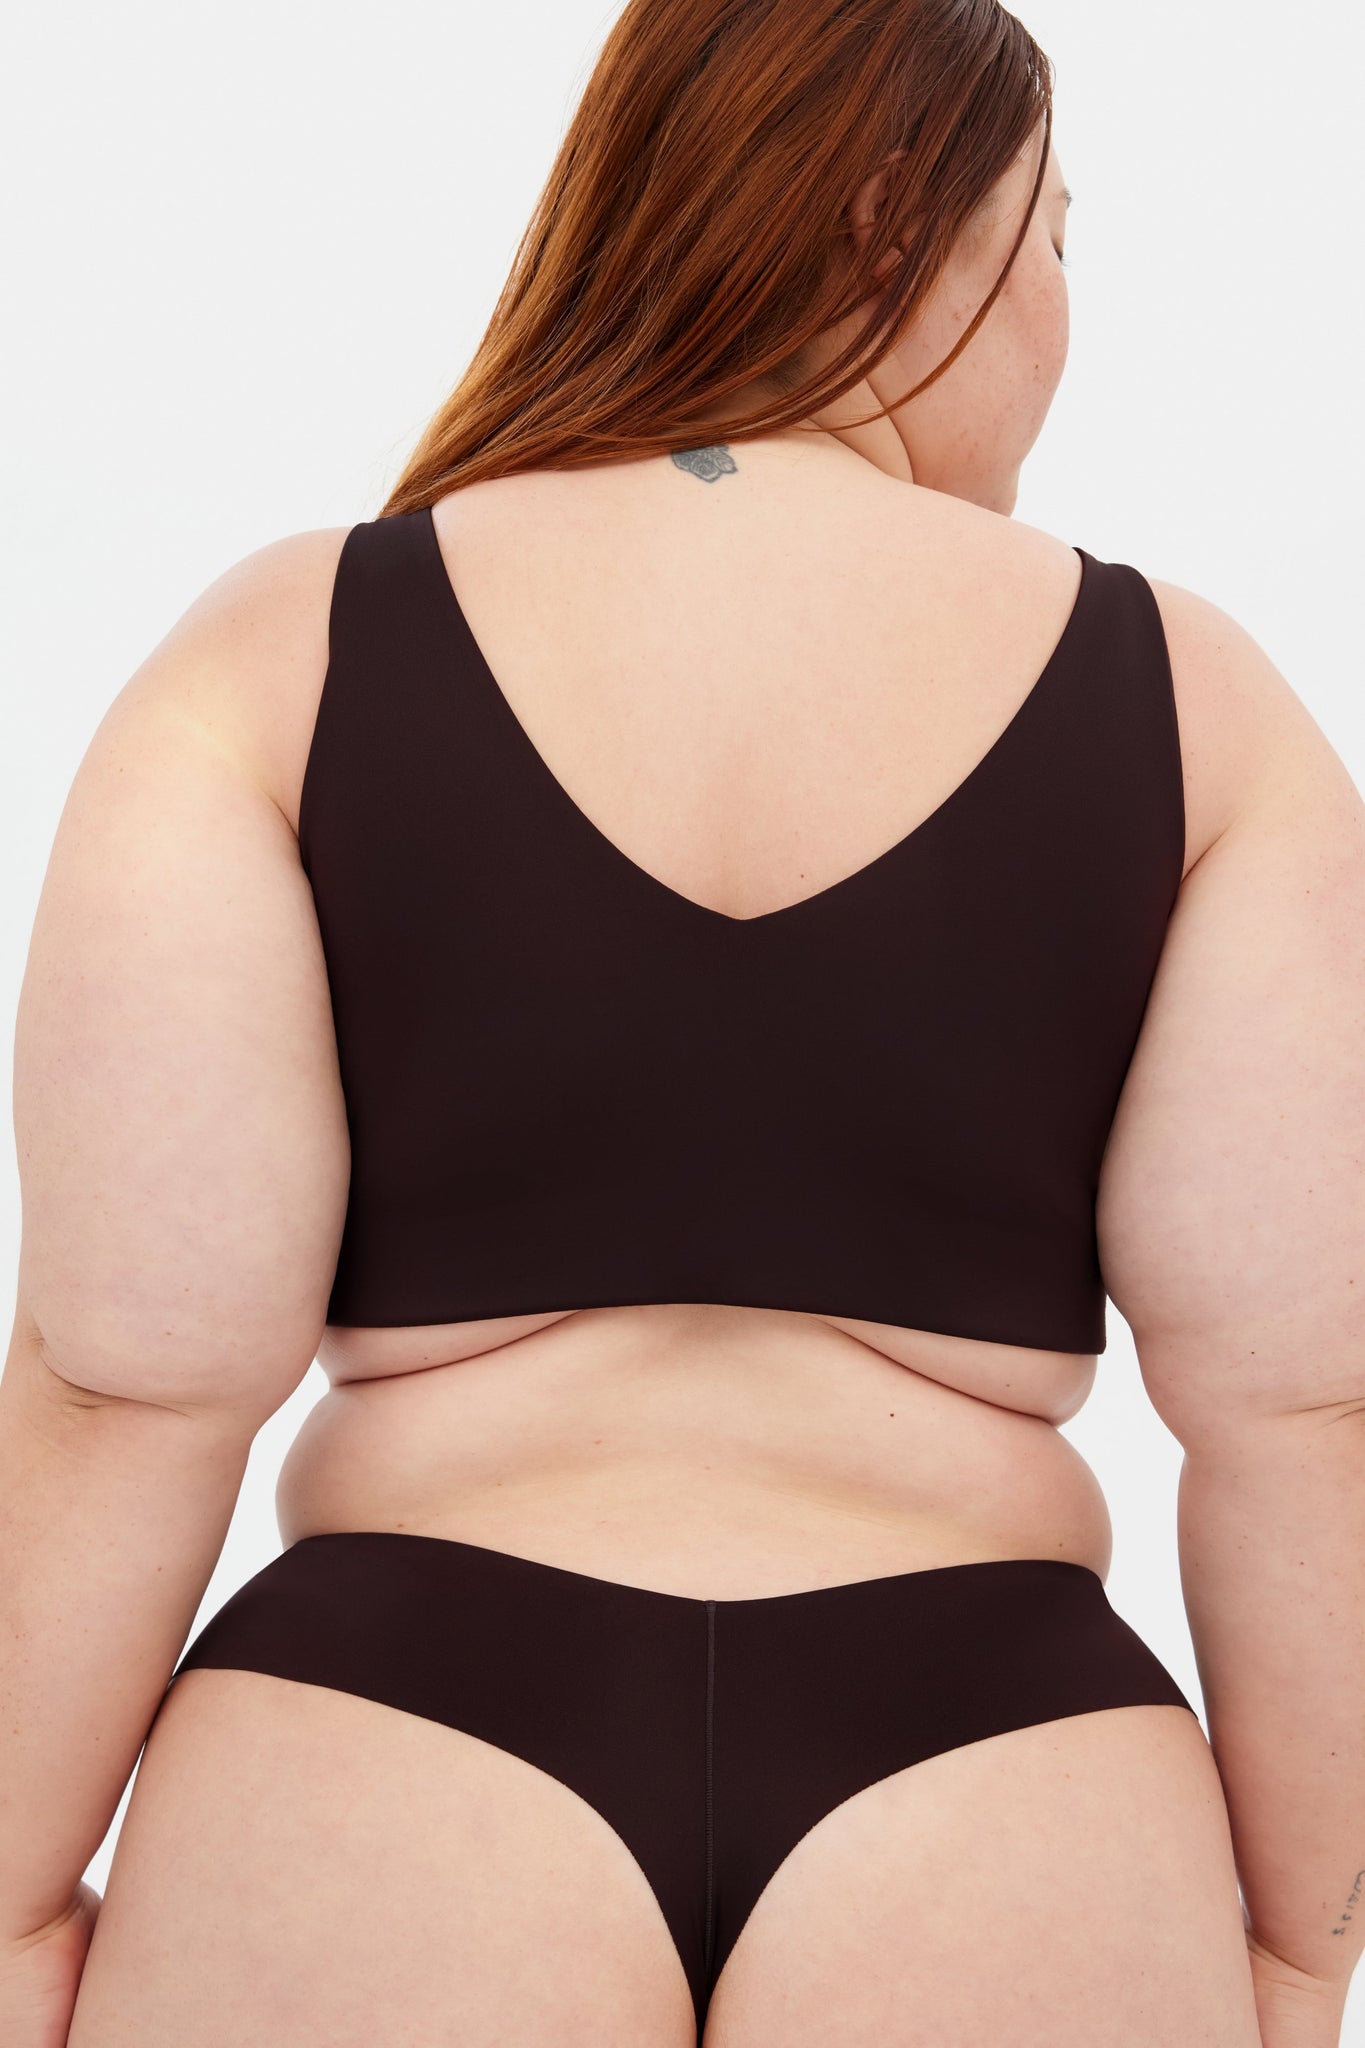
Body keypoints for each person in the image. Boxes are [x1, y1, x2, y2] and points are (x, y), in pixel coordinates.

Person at [2, 1, 1362, 2043]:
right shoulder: (1197, 705)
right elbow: (1305, 1412)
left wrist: (14, 1904)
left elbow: (129, 1370)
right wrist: (1291, 1948)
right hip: (1003, 1771)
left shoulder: (288, 651)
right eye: (1054, 236)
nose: (1063, 317)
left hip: (388, 1747)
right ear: (891, 222)